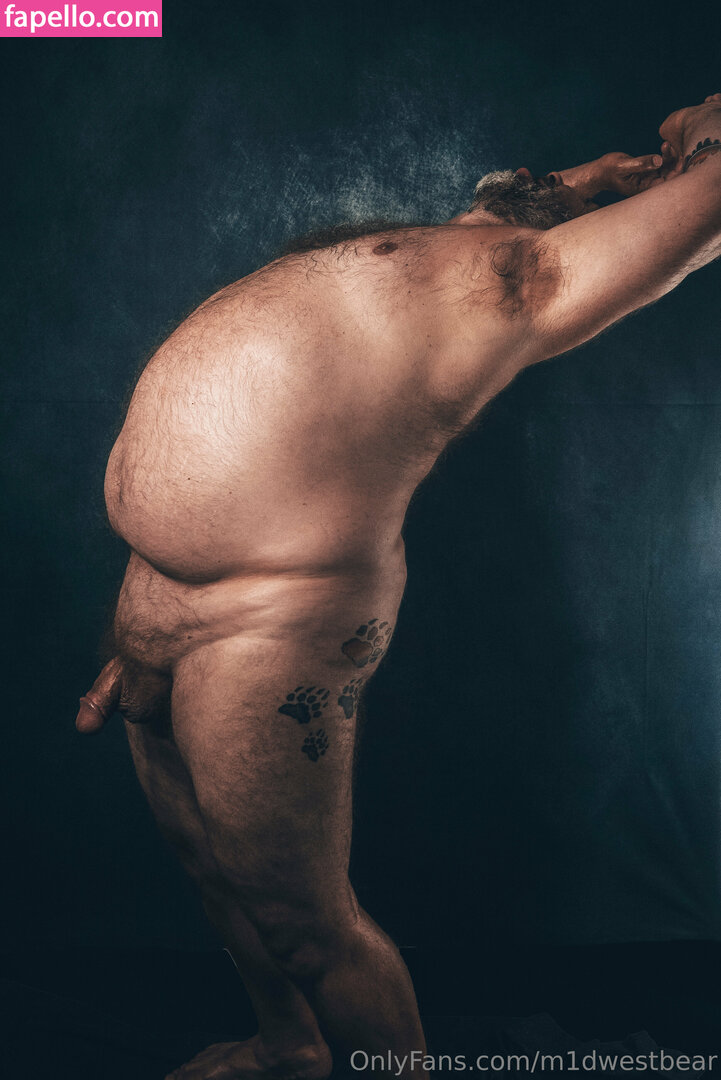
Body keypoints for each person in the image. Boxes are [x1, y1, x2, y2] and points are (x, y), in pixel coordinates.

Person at [77, 96, 721, 1080]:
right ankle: (289, 1046)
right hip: (159, 599)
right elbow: (511, 205)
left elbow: (700, 202)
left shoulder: (527, 282)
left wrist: (701, 140)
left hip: (269, 622)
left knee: (306, 928)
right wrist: (593, 178)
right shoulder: (469, 248)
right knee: (212, 869)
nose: (660, 130)